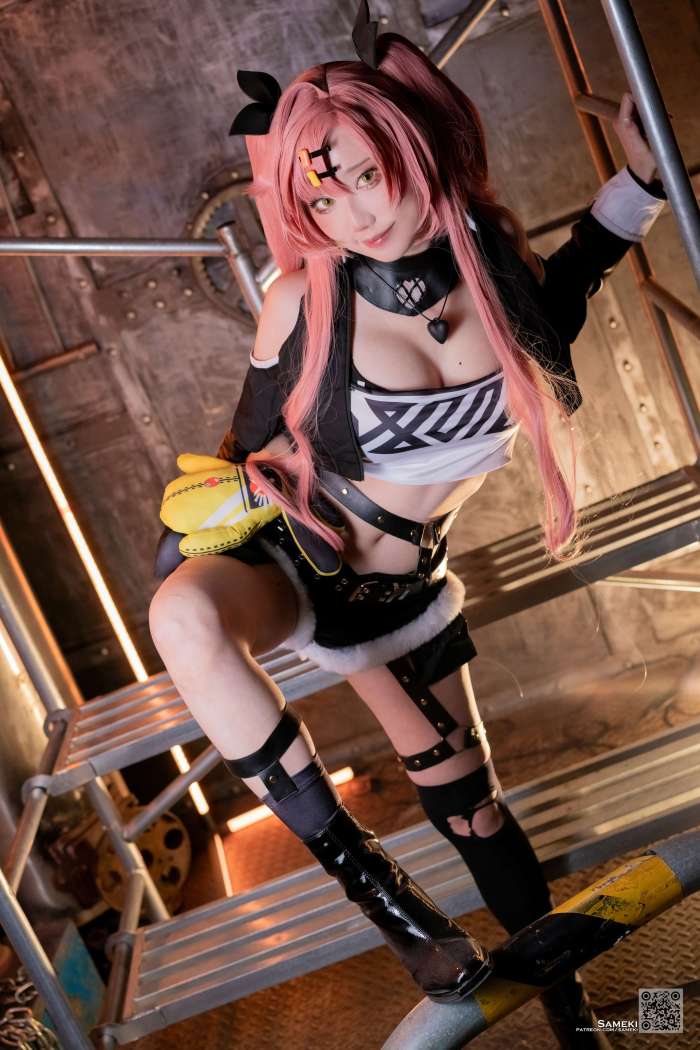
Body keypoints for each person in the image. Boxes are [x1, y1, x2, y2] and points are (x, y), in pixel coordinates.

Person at [149, 4, 667, 1043]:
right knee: (181, 617)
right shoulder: (302, 303)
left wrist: (642, 184)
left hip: (404, 592)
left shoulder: (491, 265)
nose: (349, 211)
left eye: (361, 172)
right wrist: (246, 491)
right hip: (297, 564)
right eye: (319, 193)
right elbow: (236, 450)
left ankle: (584, 1020)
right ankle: (384, 900)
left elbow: (563, 300)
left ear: (411, 144)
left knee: (475, 806)